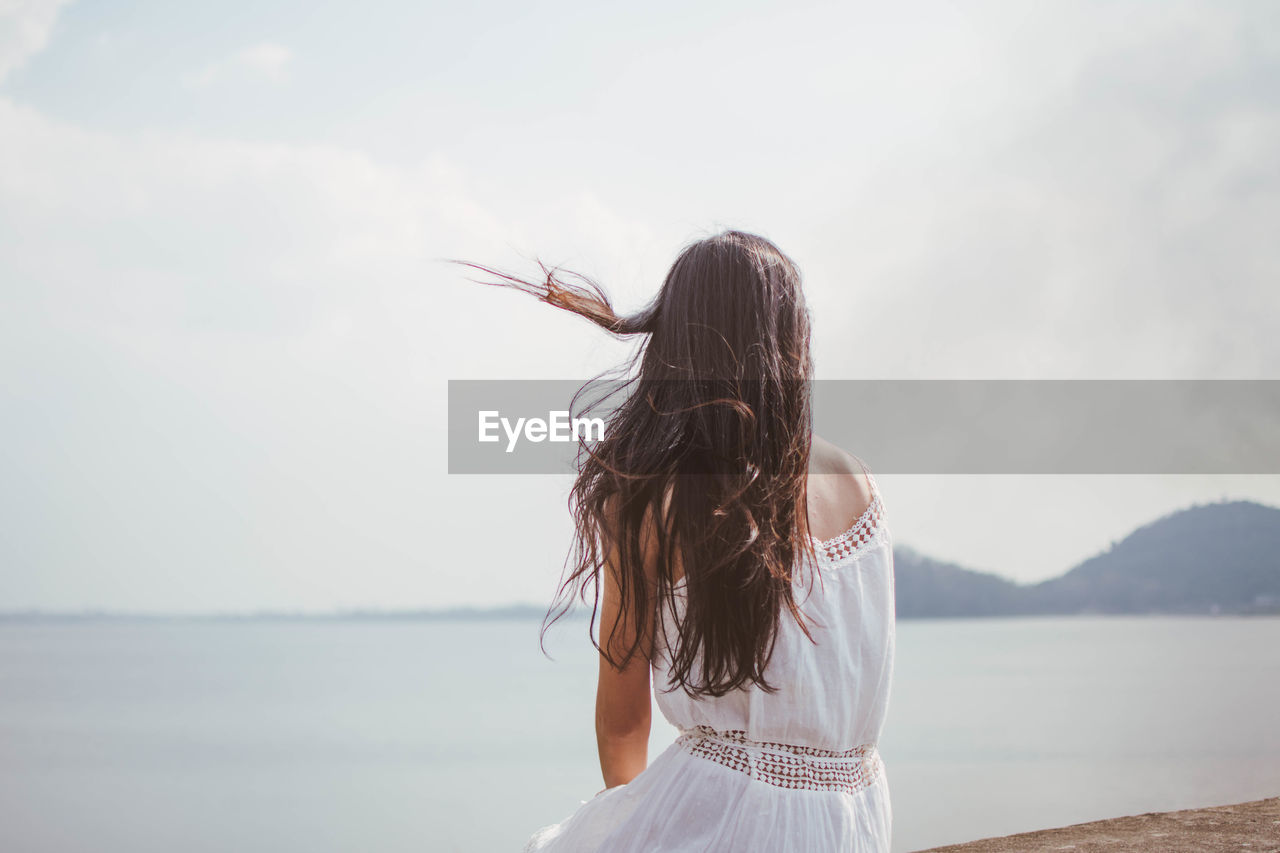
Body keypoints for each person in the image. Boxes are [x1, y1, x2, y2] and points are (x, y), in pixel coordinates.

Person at [456, 230, 895, 851]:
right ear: (790, 342)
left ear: (677, 345)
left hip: (720, 819)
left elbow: (623, 721)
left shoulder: (656, 499)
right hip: (853, 824)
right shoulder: (857, 482)